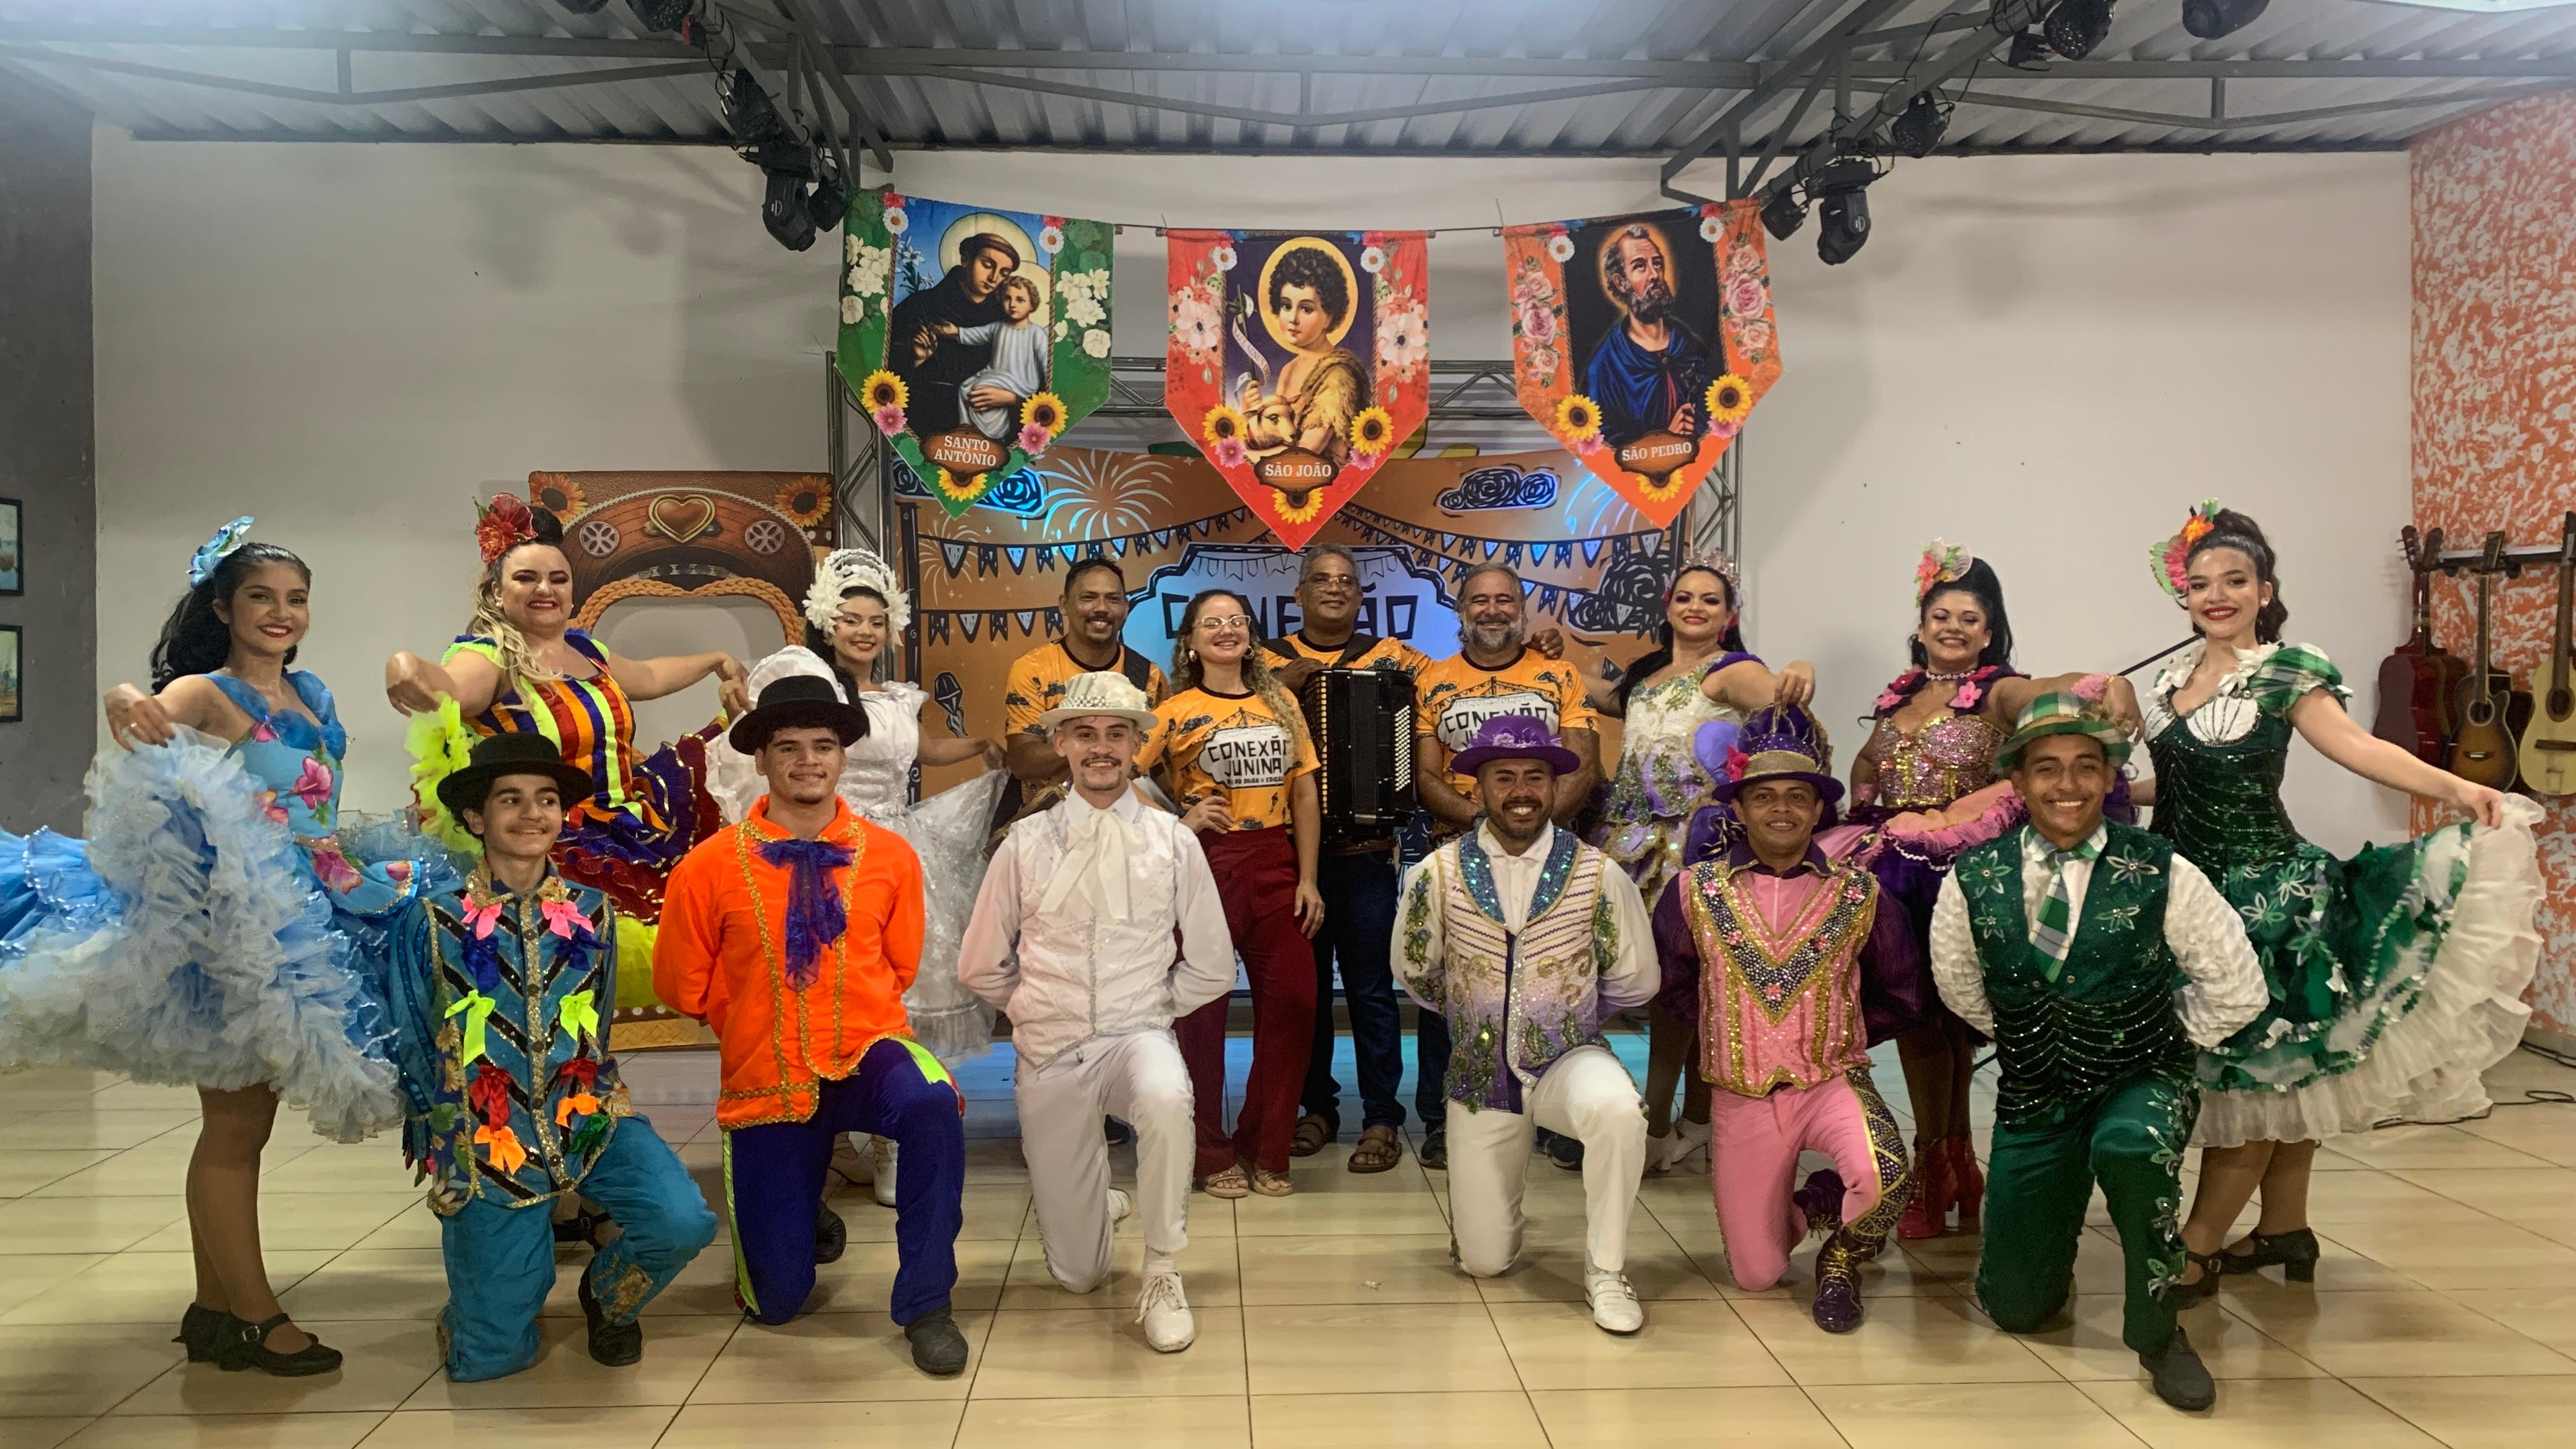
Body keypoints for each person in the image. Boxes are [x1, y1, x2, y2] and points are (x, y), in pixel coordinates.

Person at [0, 519, 443, 1376]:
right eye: (261, 598)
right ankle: (255, 1315)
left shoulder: (311, 693)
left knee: (246, 1124)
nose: (282, 613)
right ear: (222, 608)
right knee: (237, 1123)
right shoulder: (208, 691)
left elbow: (313, 807)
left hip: (318, 902)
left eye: (296, 599)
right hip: (243, 925)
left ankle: (214, 1310)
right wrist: (124, 698)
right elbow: (146, 713)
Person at [2130, 505, 2542, 1301]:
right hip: (2183, 894)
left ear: (2265, 590)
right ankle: (2285, 1228)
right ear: (2185, 597)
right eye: (2202, 584)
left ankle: (2197, 1247)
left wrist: (2455, 787)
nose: (2218, 596)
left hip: (2267, 902)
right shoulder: (2169, 679)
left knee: (2256, 1078)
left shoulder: (2287, 671)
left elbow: (2358, 748)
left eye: (2236, 581)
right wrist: (2090, 792)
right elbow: (2176, 784)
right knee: (2291, 1077)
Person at [1931, 691, 2267, 1411]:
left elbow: (2239, 988)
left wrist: (2152, 1034)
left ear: (2111, 776)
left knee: (2131, 1148)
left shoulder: (2163, 869)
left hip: (2140, 1075)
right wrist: (2037, 1032)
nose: (2069, 784)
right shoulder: (1974, 876)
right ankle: (2042, 1251)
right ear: (2018, 781)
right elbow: (1960, 986)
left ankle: (2159, 1331)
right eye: (2047, 767)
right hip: (2035, 1087)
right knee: (2018, 1308)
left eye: (2087, 765)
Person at [654, 676, 971, 1376]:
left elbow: (901, 964)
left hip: (867, 1053)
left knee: (932, 1100)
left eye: (823, 746)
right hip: (766, 1076)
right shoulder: (707, 868)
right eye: (788, 747)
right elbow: (682, 985)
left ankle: (927, 1303)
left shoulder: (890, 856)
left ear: (842, 757)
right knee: (777, 1302)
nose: (807, 761)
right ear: (761, 759)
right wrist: (752, 1016)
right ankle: (803, 1211)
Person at [385, 735, 718, 1381]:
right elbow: (412, 1041)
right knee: (491, 1359)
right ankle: (485, 1305)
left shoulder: (594, 912)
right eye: (510, 800)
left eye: (545, 800)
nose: (531, 813)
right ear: (477, 818)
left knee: (682, 1221)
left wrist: (600, 1101)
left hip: (587, 1117)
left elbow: (599, 1025)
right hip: (488, 1140)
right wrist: (444, 1142)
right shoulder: (429, 921)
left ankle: (606, 1297)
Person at [1845, 541, 2143, 1240]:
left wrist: (2109, 684)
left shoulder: (1998, 690)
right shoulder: (1899, 696)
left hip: (1956, 873)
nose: (1953, 628)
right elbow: (1869, 758)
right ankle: (1951, 1164)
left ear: (1989, 633)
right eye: (1940, 616)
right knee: (1928, 1024)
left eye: (1969, 619)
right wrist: (1863, 797)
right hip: (1894, 869)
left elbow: (2053, 692)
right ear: (1921, 626)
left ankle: (1939, 1169)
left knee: (1940, 1022)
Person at [384, 494, 751, 1028]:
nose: (545, 590)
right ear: (496, 591)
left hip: (636, 826)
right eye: (527, 578)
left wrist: (716, 659)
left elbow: (648, 675)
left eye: (558, 579)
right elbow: (452, 689)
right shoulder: (488, 657)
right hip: (554, 842)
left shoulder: (587, 651)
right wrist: (403, 665)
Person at [710, 549, 1008, 1206]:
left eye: (876, 620)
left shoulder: (898, 697)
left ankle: (894, 1143)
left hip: (896, 850)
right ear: (827, 621)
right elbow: (768, 744)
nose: (864, 631)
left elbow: (923, 751)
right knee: (827, 986)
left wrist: (981, 747)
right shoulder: (807, 680)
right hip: (825, 848)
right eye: (850, 619)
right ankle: (820, 1131)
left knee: (901, 992)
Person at [958, 672, 1236, 1352]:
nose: (1102, 748)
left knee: (1167, 1094)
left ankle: (1163, 1269)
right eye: (1085, 733)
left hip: (1136, 1037)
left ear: (1138, 745)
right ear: (1062, 744)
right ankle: (1093, 1205)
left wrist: (1151, 1008)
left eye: (1117, 734)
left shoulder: (1173, 841)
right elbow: (979, 964)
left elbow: (1212, 965)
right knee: (1078, 1276)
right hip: (1049, 1050)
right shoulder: (1025, 843)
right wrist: (1031, 1007)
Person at [1269, 545, 1562, 1173]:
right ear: (1299, 594)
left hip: (1369, 853)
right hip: (1286, 854)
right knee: (1303, 993)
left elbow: (1475, 664)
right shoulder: (1265, 661)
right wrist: (1276, 686)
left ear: (1360, 596)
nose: (1334, 589)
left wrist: (1544, 649)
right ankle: (1315, 1108)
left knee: (1374, 991)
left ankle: (1382, 1117)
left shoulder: (1401, 661)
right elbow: (1213, 696)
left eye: (1346, 581)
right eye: (1321, 580)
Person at [1652, 705, 1914, 1333]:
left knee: (1886, 1174)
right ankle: (1817, 1200)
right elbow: (1673, 985)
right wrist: (1728, 1032)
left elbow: (1900, 991)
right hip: (1740, 1094)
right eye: (1764, 796)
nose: (1782, 809)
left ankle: (1842, 1258)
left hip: (1829, 1081)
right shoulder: (1692, 891)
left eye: (1798, 796)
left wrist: (1834, 1032)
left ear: (1819, 809)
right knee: (1757, 1274)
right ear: (1740, 810)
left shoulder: (1861, 893)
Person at [1393, 716, 1657, 1335]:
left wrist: (1564, 1014)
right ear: (1479, 787)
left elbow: (1636, 979)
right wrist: (1480, 1014)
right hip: (1480, 1074)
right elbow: (1416, 971)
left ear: (1555, 786)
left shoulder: (1598, 873)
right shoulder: (1436, 874)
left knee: (1618, 1111)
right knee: (1485, 1263)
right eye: (1504, 776)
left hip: (1568, 1058)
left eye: (1535, 777)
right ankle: (1491, 1222)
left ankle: (1607, 1268)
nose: (1521, 791)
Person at [1575, 551, 1813, 1176]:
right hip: (1628, 844)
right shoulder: (1650, 675)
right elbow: (1606, 697)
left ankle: (1663, 1122)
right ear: (1668, 606)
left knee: (1688, 989)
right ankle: (1689, 1122)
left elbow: (1782, 701)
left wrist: (1799, 671)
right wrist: (1553, 664)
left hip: (1692, 851)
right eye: (1685, 597)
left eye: (1711, 599)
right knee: (1666, 989)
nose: (1696, 607)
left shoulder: (1732, 671)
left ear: (1729, 615)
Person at [1413, 563, 1602, 1172]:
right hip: (1463, 853)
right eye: (1480, 600)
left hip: (1551, 855)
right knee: (1451, 985)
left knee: (1556, 984)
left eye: (1504, 600)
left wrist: (1533, 829)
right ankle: (1443, 1118)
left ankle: (1558, 1117)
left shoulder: (1558, 675)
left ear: (1521, 610)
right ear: (1461, 610)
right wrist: (1485, 824)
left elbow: (1582, 765)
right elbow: (1425, 775)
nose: (1492, 610)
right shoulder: (1432, 681)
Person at [1140, 590, 1324, 1199]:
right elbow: (1123, 776)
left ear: (1250, 634)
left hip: (1276, 864)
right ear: (1191, 642)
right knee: (1200, 1014)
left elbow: (1304, 792)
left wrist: (1308, 878)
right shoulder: (1175, 710)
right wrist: (1177, 822)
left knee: (1295, 999)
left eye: (1236, 621)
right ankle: (1208, 1151)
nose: (1226, 630)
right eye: (1211, 623)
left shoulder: (1282, 703)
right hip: (1205, 867)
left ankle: (1265, 1145)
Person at [999, 556, 1169, 841]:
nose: (1102, 608)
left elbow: (1160, 763)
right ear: (1064, 604)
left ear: (1126, 608)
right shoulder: (1033, 669)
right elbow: (1023, 761)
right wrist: (1103, 746)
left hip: (1131, 828)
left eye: (1113, 599)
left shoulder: (1149, 676)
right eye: (1089, 598)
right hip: (1053, 831)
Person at [1237, 242, 1369, 466]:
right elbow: (1278, 438)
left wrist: (1241, 454)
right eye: (1286, 306)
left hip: (1322, 480)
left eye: (1306, 309)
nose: (1293, 319)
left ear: (1330, 316)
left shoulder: (1339, 376)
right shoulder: (1289, 369)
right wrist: (1251, 415)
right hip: (1281, 477)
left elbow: (1305, 453)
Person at [1583, 224, 1713, 450]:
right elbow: (1606, 446)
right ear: (1620, 282)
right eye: (1640, 266)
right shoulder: (1605, 367)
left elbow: (1716, 410)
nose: (1654, 275)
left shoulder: (1689, 345)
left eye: (1657, 263)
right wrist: (1665, 440)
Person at [891, 231, 1023, 438]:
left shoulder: (1007, 323)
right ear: (966, 259)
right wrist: (915, 359)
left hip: (986, 431)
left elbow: (1029, 378)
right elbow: (881, 372)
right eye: (987, 265)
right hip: (924, 426)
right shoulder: (921, 305)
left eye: (1004, 273)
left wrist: (1011, 398)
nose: (994, 278)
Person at [944, 272, 1051, 441]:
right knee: (964, 388)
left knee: (980, 389)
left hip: (1020, 383)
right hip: (996, 374)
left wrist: (1049, 392)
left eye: (1020, 300)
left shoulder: (1036, 334)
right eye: (1007, 298)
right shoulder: (998, 327)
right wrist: (956, 331)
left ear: (1032, 304)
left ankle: (994, 432)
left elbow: (1047, 366)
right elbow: (977, 334)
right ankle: (965, 427)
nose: (1012, 305)